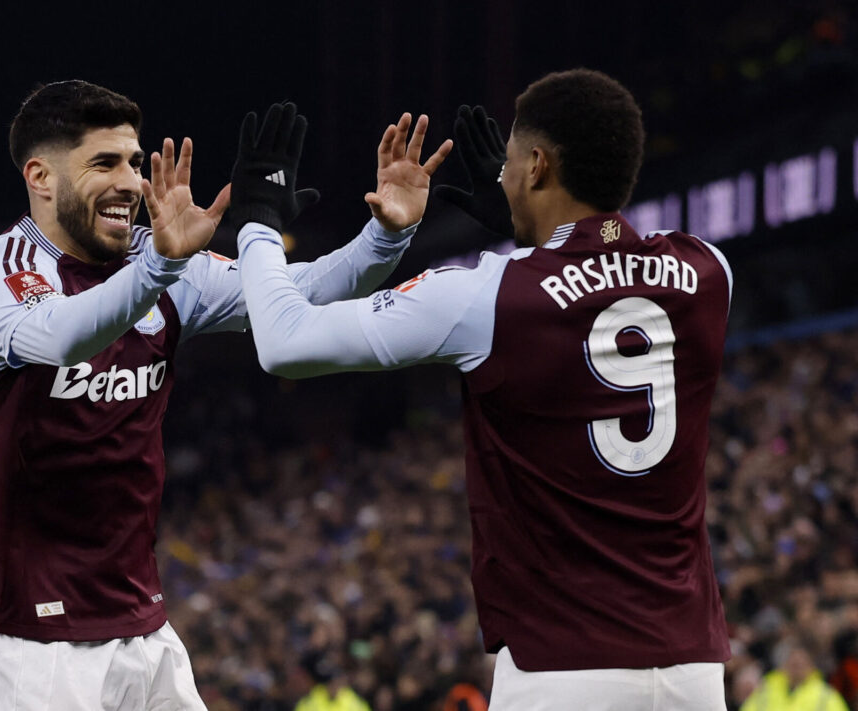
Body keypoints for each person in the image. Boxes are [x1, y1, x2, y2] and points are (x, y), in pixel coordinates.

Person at [232, 69, 734, 710]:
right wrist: (536, 227)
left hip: (562, 673)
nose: (499, 177)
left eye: (512, 165)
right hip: (692, 672)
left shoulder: (483, 294)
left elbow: (283, 344)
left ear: (538, 166)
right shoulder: (706, 269)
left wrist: (257, 220)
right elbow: (602, 269)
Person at [0, 80, 437, 709]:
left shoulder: (157, 262)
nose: (130, 182)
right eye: (104, 163)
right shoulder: (6, 274)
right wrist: (159, 268)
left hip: (144, 626)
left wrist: (386, 237)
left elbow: (299, 292)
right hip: (34, 640)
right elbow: (58, 337)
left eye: (133, 161)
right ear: (41, 177)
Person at [741, 641, 848, 711]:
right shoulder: (765, 691)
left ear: (811, 666)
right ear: (785, 665)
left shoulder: (826, 696)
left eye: (801, 665)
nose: (796, 669)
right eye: (793, 664)